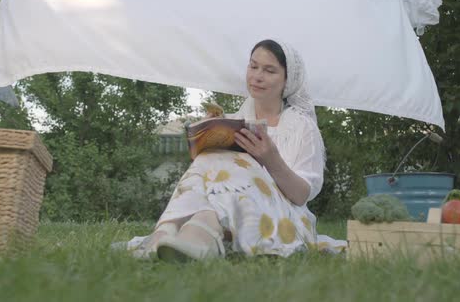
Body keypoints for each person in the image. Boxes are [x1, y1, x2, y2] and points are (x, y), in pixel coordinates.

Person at [127, 39, 347, 261]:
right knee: (212, 156)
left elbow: (301, 196)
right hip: (231, 207)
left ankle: (190, 234)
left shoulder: (302, 127)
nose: (257, 76)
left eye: (269, 70)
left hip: (283, 215)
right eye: (253, 66)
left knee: (238, 163)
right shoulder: (232, 122)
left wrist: (271, 160)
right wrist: (207, 137)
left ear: (287, 81)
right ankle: (180, 233)